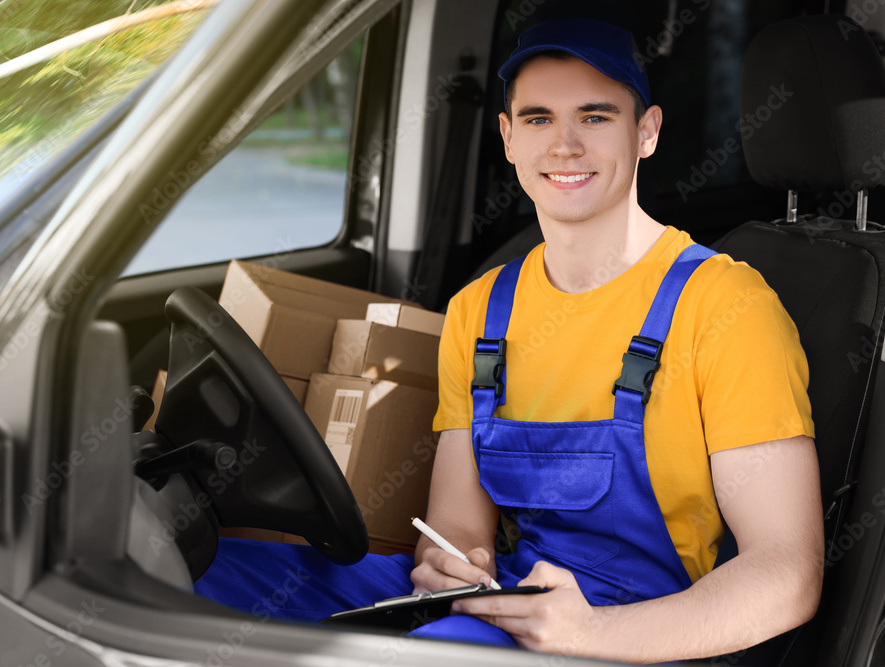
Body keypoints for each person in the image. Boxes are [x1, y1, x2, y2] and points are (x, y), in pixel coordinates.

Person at [195, 17, 824, 663]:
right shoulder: (480, 310)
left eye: (596, 117)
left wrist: (591, 633)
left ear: (647, 131)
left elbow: (787, 575)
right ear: (508, 137)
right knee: (205, 565)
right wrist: (449, 561)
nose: (566, 145)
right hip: (510, 596)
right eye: (539, 119)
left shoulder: (725, 306)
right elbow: (458, 524)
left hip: (640, 629)